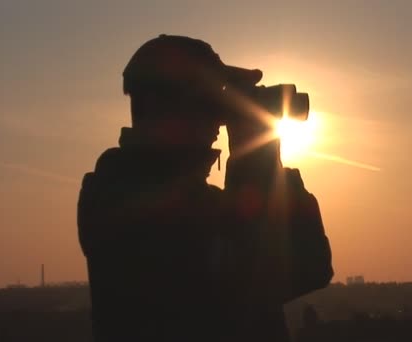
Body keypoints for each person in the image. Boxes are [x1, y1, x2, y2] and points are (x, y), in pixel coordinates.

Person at [77, 34, 334, 342]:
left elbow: (309, 264)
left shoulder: (132, 189)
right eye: (211, 101)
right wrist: (255, 154)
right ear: (174, 106)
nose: (218, 120)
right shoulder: (124, 201)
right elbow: (292, 269)